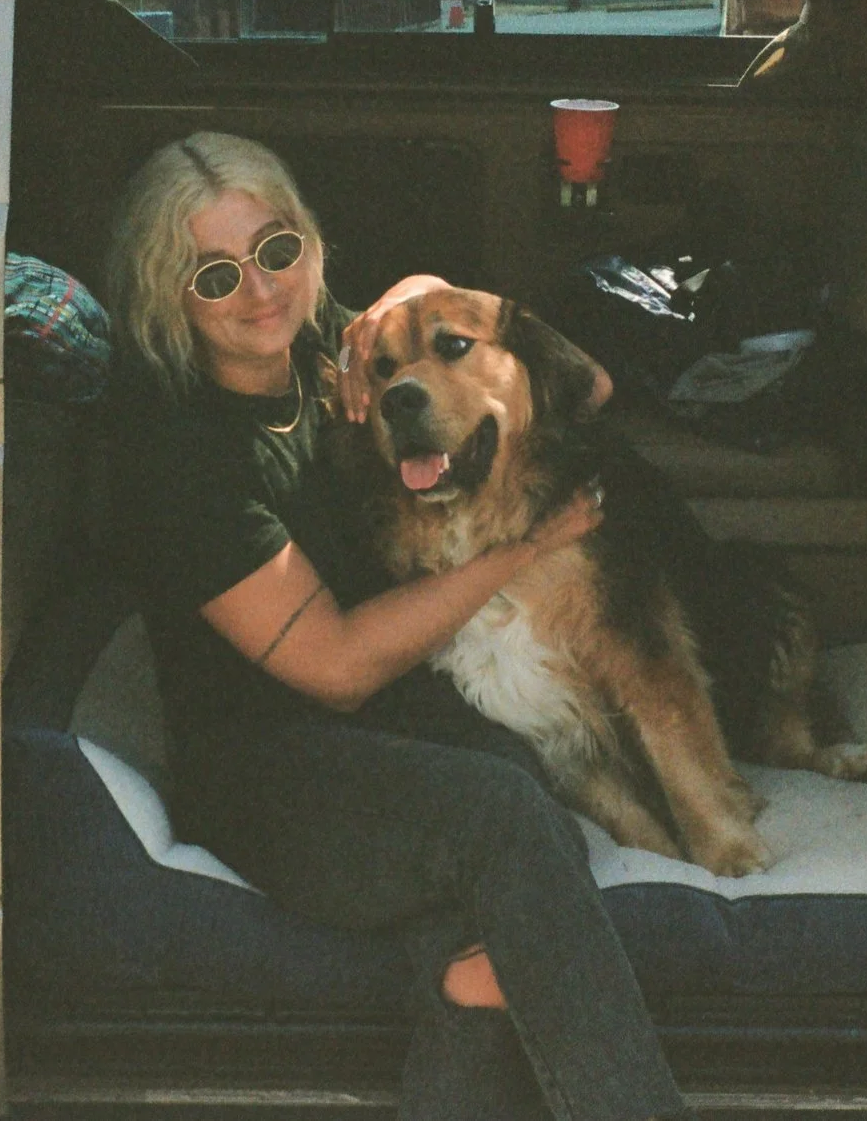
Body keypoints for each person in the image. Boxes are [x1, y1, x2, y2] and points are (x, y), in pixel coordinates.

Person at [101, 130, 688, 1121]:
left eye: (275, 249)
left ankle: (464, 990)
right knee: (502, 818)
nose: (258, 291)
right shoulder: (179, 456)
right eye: (213, 274)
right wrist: (526, 546)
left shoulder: (329, 344)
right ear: (169, 296)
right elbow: (333, 666)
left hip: (388, 726)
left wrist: (392, 309)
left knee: (527, 795)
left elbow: (478, 330)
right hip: (269, 767)